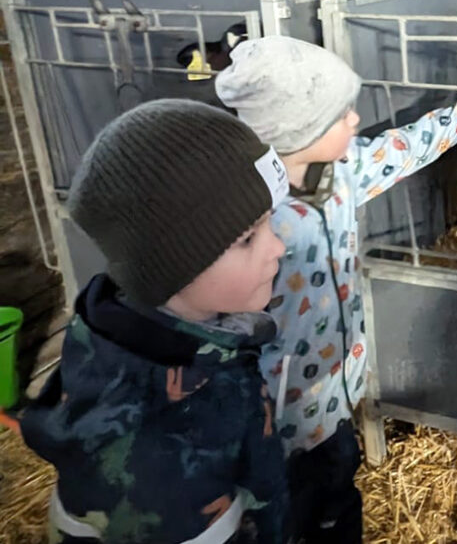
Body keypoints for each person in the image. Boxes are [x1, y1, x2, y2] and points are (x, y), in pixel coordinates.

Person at [215, 36, 457, 543]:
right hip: (270, 427)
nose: (356, 121)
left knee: (339, 503)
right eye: (341, 114)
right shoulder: (247, 221)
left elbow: (414, 143)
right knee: (284, 520)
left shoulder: (344, 171)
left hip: (334, 399)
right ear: (297, 129)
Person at [17, 99, 292, 543]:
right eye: (247, 239)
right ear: (171, 264)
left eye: (269, 225)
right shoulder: (157, 456)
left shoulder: (158, 340)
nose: (277, 248)